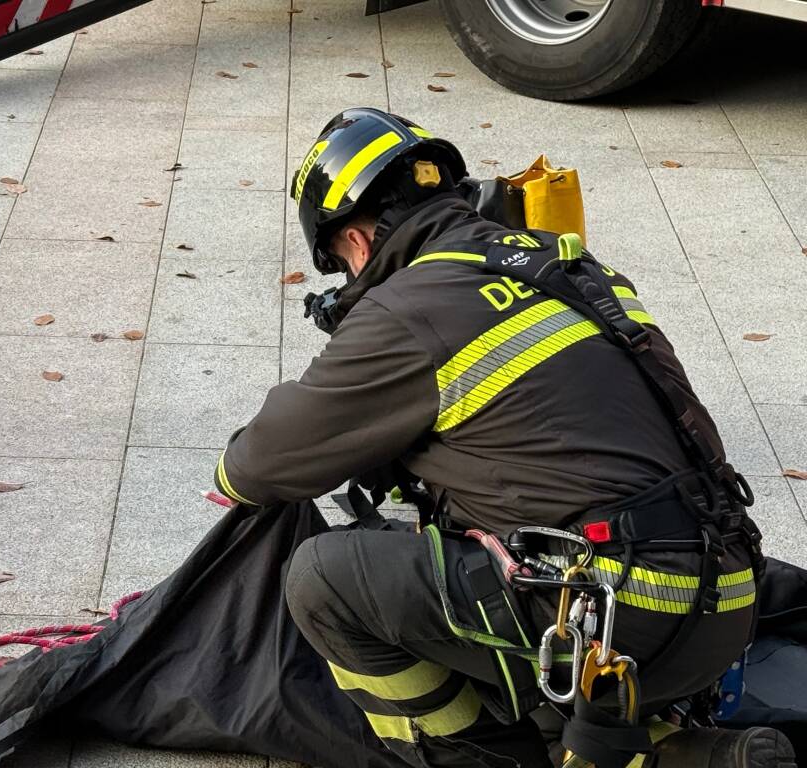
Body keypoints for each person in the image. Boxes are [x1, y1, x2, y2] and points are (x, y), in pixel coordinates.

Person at [210, 108, 794, 768]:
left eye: (340, 261)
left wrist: (244, 467)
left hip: (624, 617)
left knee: (326, 580)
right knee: (482, 546)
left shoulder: (407, 308)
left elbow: (258, 465)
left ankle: (490, 760)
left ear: (359, 241)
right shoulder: (568, 266)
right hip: (728, 600)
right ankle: (678, 755)